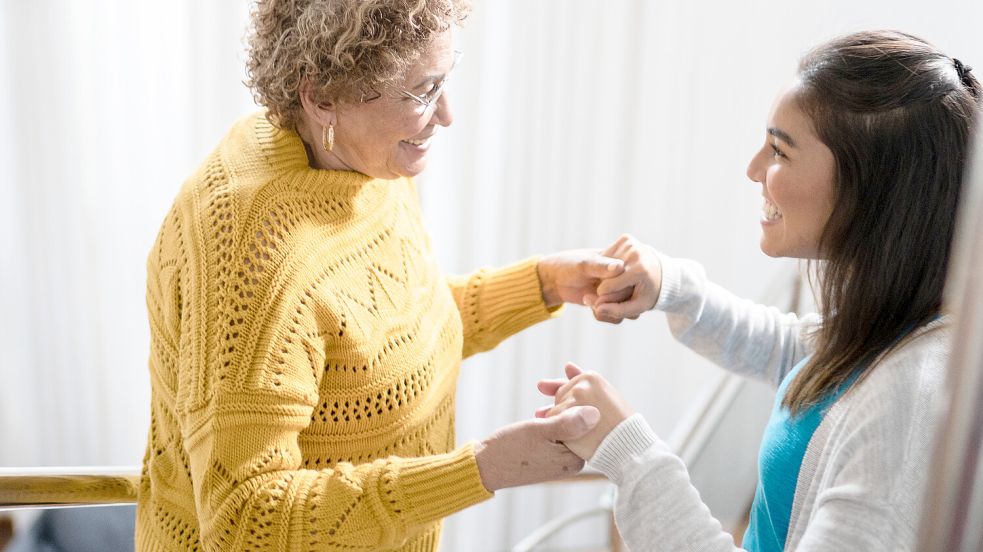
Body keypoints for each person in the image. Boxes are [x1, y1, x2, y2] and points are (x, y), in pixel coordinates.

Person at [136, 1, 619, 550]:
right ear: (320, 96)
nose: (446, 115)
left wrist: (545, 283)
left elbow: (385, 336)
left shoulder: (358, 161)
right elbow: (243, 519)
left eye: (443, 80)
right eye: (422, 91)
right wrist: (481, 470)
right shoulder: (254, 254)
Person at [537, 30, 981, 551]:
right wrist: (671, 286)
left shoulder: (904, 403)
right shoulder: (892, 329)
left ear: (871, 188)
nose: (753, 170)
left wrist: (631, 455)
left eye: (778, 151)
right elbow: (794, 350)